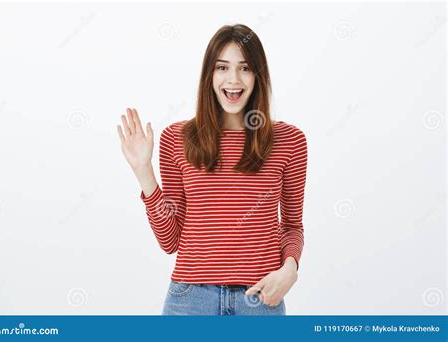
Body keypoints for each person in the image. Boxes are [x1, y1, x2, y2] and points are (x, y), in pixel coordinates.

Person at [116, 24, 308, 315]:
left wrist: (290, 269)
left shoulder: (289, 141)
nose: (233, 80)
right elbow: (170, 241)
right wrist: (144, 171)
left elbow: (292, 225)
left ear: (258, 75)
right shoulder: (176, 139)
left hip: (260, 299)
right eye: (222, 67)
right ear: (210, 75)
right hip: (190, 301)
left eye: (244, 68)